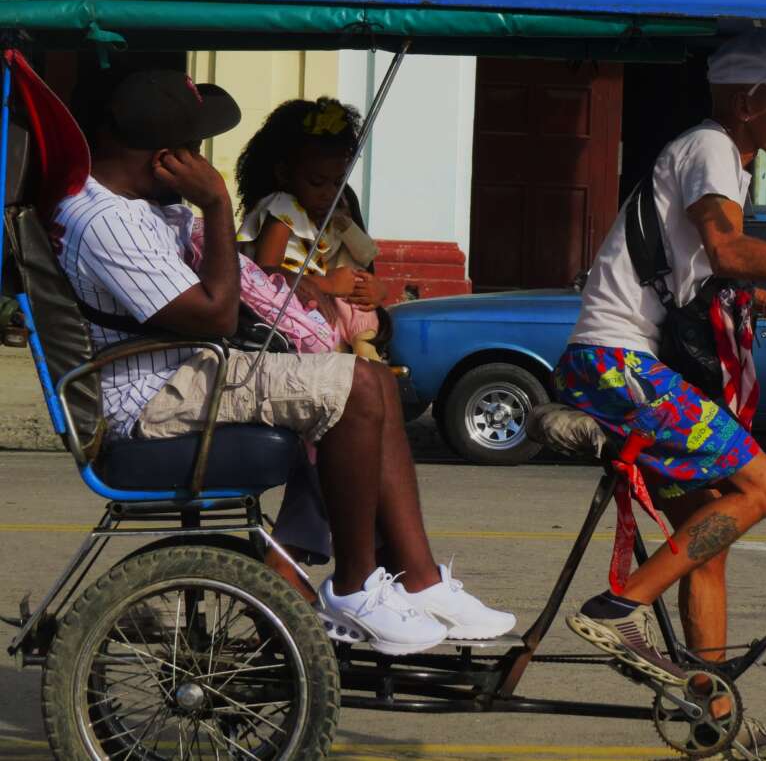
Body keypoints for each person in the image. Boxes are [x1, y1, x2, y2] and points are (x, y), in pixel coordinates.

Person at [54, 69, 515, 654]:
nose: (200, 159)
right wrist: (219, 204)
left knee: (369, 379)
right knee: (354, 388)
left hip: (189, 372)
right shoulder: (107, 222)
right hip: (153, 395)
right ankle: (353, 588)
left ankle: (418, 581)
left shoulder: (146, 206)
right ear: (165, 156)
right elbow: (216, 315)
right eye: (193, 149)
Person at [555, 29, 766, 759]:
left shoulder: (717, 156)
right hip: (620, 363)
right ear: (750, 101)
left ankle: (717, 717)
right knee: (761, 482)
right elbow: (729, 252)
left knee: (707, 544)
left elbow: (708, 275)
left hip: (626, 361)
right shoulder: (711, 145)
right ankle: (620, 607)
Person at [235, 97, 386, 361]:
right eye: (317, 182)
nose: (329, 194)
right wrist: (326, 284)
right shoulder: (282, 209)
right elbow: (264, 272)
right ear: (284, 174)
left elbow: (360, 264)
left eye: (338, 181)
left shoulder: (340, 205)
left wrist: (374, 292)